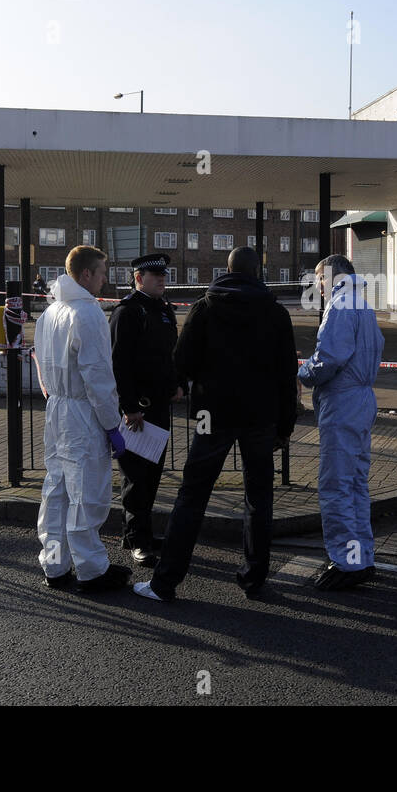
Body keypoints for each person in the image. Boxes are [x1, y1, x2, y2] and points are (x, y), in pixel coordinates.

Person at [134, 246, 297, 602]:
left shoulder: (206, 308)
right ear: (258, 271)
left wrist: (175, 386)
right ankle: (255, 579)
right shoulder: (275, 313)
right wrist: (285, 427)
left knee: (192, 495)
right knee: (259, 498)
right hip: (260, 418)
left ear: (227, 269)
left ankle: (165, 582)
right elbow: (288, 375)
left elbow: (182, 361)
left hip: (212, 416)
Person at [33, 245, 132, 593]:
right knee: (86, 491)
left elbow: (42, 365)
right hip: (81, 411)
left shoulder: (50, 313)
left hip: (57, 409)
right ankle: (91, 569)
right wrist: (111, 425)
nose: (105, 280)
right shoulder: (87, 314)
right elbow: (98, 377)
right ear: (87, 274)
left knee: (57, 489)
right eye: (102, 273)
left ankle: (55, 563)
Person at [297, 255, 385, 590]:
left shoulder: (340, 305)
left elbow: (330, 357)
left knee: (336, 485)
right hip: (362, 399)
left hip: (342, 400)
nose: (317, 285)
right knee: (355, 483)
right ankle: (360, 556)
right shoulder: (362, 303)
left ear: (332, 276)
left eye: (319, 278)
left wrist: (303, 373)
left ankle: (348, 563)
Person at [110, 253, 185, 567]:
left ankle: (139, 533)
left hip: (159, 407)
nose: (162, 281)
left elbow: (170, 354)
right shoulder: (127, 312)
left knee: (152, 474)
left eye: (165, 277)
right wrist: (128, 406)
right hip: (137, 411)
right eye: (156, 277)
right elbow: (119, 363)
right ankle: (138, 541)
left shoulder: (164, 309)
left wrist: (178, 385)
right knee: (137, 476)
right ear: (139, 278)